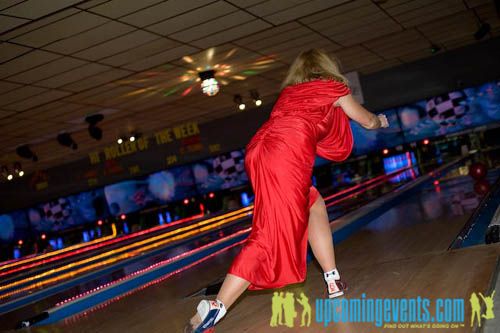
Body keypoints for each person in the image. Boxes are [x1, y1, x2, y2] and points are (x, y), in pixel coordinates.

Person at [184, 48, 389, 332]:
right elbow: (366, 120)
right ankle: (217, 307)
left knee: (313, 204)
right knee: (268, 235)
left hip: (260, 149)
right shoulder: (334, 87)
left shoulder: (289, 93)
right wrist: (380, 120)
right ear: (327, 67)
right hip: (285, 154)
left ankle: (332, 279)